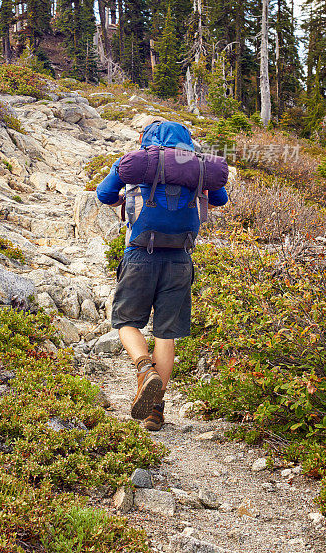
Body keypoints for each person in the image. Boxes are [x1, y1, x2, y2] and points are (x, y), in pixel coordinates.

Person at [96, 117, 228, 431]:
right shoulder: (195, 165)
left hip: (140, 254)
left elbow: (103, 195)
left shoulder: (134, 163)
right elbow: (220, 199)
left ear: (148, 139)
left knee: (126, 321)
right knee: (166, 333)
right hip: (180, 258)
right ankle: (156, 411)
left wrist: (124, 197)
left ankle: (144, 369)